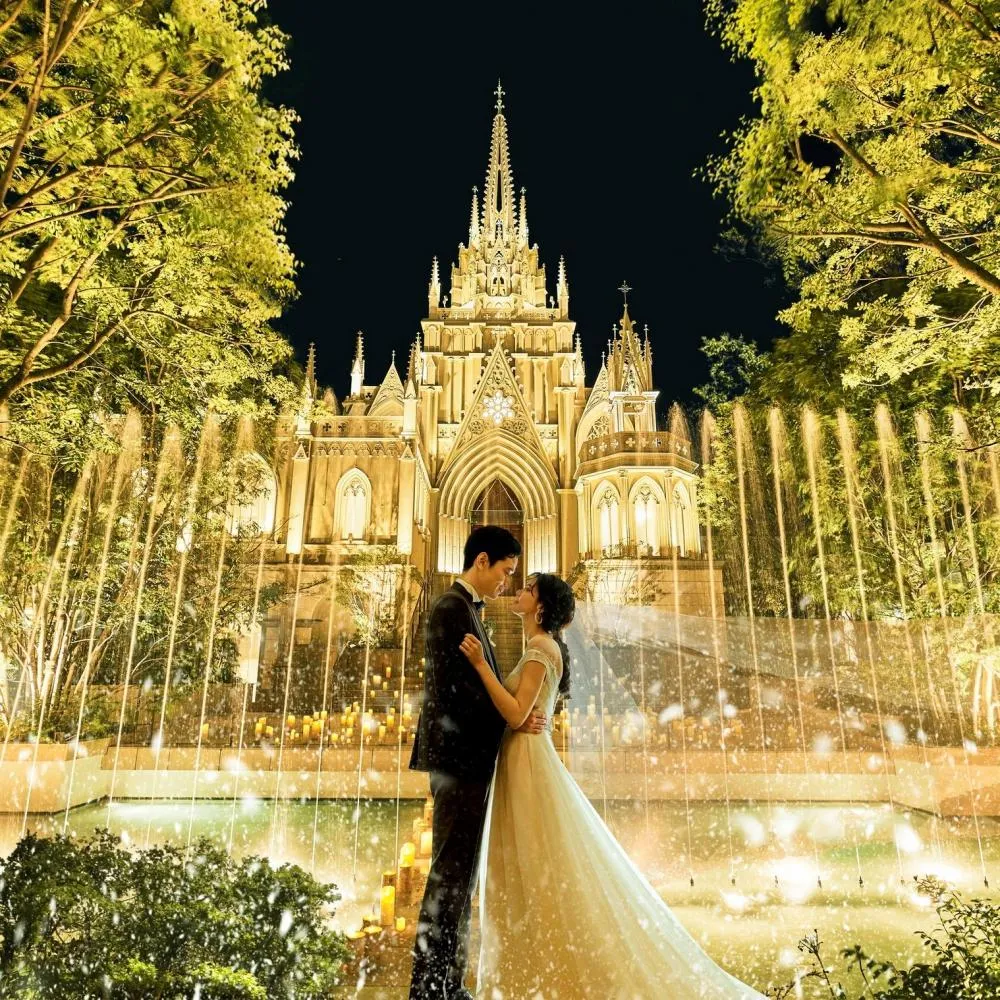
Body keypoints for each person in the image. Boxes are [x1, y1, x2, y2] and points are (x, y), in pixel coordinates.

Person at [460, 573, 767, 1000]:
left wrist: (480, 665)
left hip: (528, 764)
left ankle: (542, 976)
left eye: (528, 589)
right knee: (528, 865)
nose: (519, 591)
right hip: (521, 759)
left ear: (541, 607)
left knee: (534, 863)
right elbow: (521, 712)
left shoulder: (542, 648)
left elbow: (515, 713)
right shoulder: (540, 647)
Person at [408, 526, 548, 1000]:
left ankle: (448, 983)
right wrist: (512, 721)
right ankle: (431, 989)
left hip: (465, 759)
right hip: (458, 759)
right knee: (449, 876)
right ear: (482, 560)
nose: (507, 582)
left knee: (459, 877)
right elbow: (457, 694)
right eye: (506, 571)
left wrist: (516, 716)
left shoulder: (466, 608)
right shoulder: (452, 608)